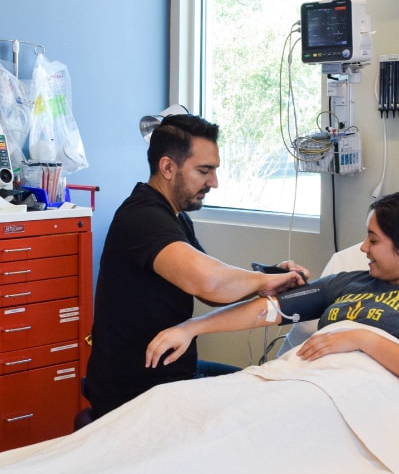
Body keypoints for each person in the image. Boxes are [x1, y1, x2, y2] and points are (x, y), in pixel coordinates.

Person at [146, 191, 399, 399]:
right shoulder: (349, 283)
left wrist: (363, 339)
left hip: (356, 400)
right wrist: (191, 327)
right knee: (170, 402)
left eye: (374, 240)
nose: (363, 248)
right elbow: (267, 310)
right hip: (302, 384)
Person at [85, 113, 309, 418]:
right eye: (204, 171)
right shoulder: (142, 218)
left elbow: (214, 290)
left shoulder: (175, 217)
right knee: (255, 408)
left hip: (169, 374)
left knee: (256, 387)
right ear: (167, 167)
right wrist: (260, 281)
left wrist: (271, 277)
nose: (213, 182)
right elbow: (210, 282)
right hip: (136, 392)